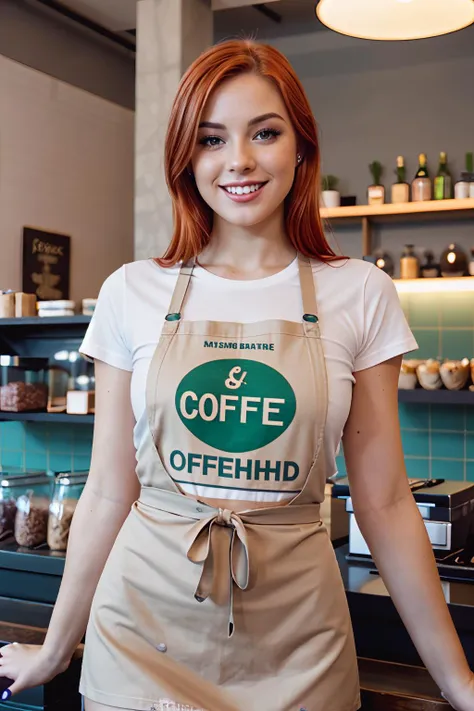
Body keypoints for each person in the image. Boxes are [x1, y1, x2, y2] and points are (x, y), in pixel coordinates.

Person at [1, 39, 473, 711]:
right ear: (185, 157)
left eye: (265, 132)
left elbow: (387, 500)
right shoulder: (132, 291)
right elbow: (109, 489)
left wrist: (459, 682)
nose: (240, 161)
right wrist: (55, 647)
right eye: (212, 138)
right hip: (142, 640)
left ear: (301, 146)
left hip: (301, 648)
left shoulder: (359, 293)